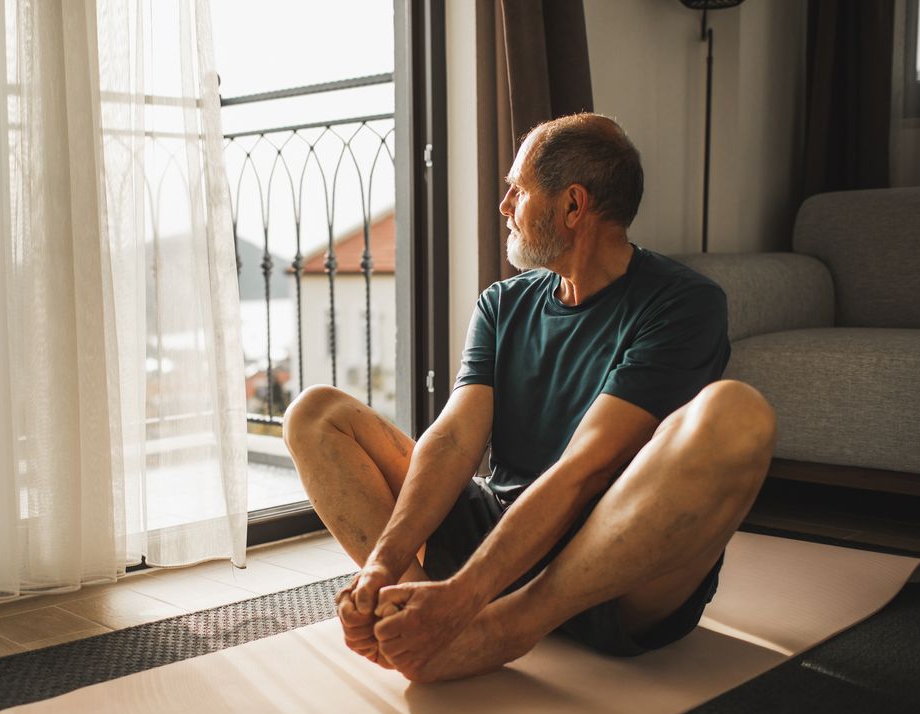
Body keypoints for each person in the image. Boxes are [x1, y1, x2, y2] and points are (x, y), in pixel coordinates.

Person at [282, 113, 776, 684]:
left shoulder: (683, 303)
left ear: (572, 206)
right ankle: (420, 613)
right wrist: (384, 566)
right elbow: (452, 439)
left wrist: (468, 597)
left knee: (738, 415)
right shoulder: (503, 303)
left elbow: (585, 470)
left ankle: (501, 629)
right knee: (315, 413)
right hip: (499, 532)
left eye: (518, 189)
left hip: (614, 563)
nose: (504, 204)